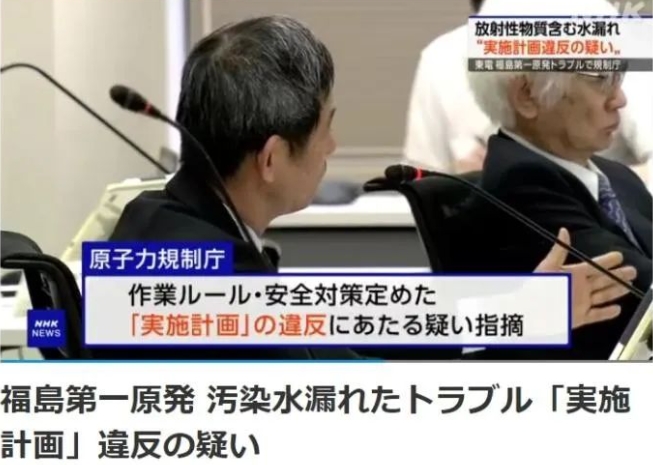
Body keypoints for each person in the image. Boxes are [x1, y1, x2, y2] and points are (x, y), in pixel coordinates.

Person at [106, 16, 635, 360]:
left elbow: (343, 328)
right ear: (271, 159)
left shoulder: (159, 219)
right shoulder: (216, 285)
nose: (332, 146)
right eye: (325, 128)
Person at [463, 1, 652, 359]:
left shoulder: (616, 175)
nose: (620, 99)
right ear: (527, 95)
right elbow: (641, 290)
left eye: (619, 74)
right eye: (600, 78)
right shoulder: (521, 184)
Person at [403, 0, 652, 174]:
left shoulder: (598, 33)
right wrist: (460, 184)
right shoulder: (440, 58)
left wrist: (602, 187)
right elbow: (417, 183)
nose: (619, 99)